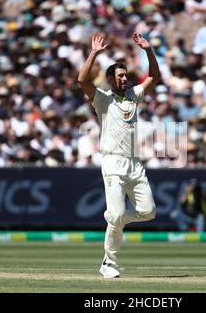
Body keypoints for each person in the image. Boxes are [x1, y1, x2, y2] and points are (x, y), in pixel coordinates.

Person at [78, 33, 160, 278]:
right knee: (115, 214)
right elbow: (82, 80)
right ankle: (108, 263)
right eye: (120, 76)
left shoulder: (134, 95)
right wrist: (93, 53)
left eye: (126, 75)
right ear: (111, 80)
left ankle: (117, 218)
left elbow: (155, 77)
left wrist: (148, 51)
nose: (125, 78)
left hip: (134, 163)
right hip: (113, 162)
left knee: (148, 212)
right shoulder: (102, 99)